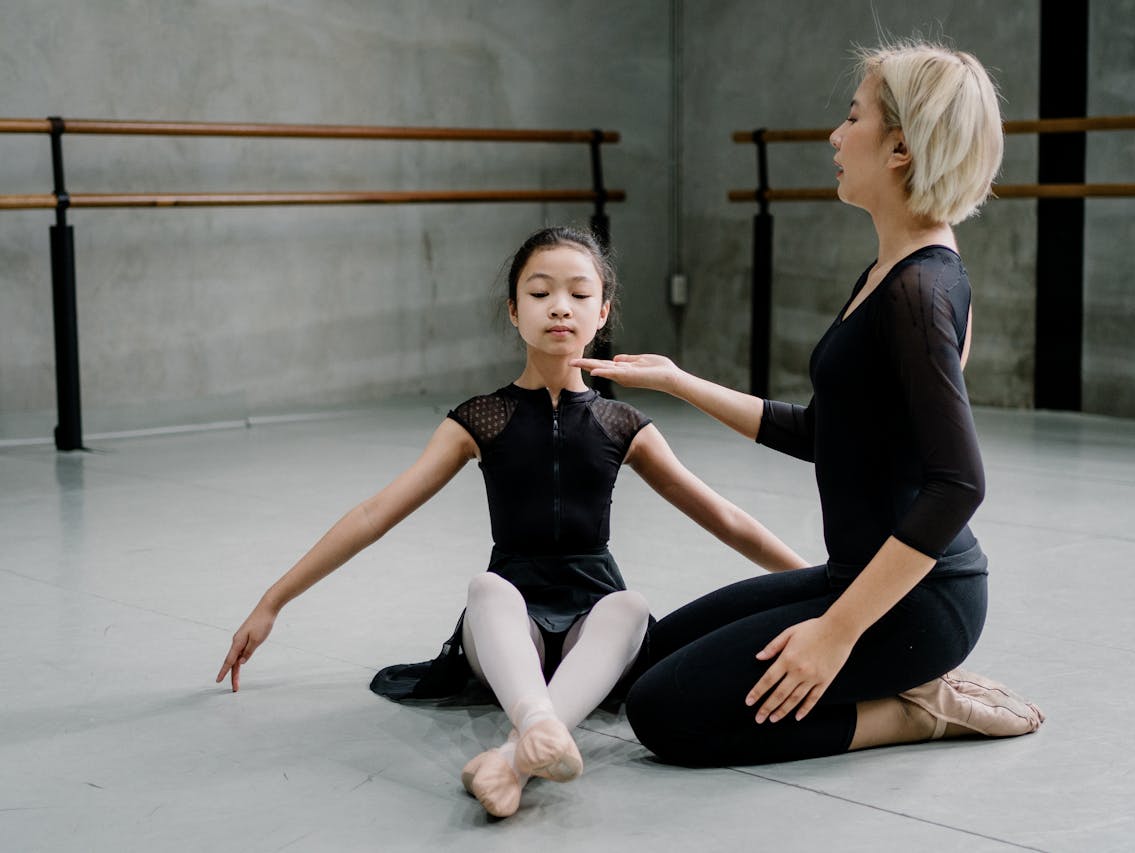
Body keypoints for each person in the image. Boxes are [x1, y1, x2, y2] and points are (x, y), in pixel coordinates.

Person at [216, 226, 807, 816]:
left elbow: (727, 519)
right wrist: (274, 600)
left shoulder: (622, 424)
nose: (559, 307)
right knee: (486, 590)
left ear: (602, 312)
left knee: (629, 607)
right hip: (507, 622)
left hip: (594, 622)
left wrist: (820, 584)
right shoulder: (481, 418)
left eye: (579, 294)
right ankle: (539, 730)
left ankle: (512, 757)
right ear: (513, 311)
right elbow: (376, 513)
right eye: (540, 292)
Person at [573, 41, 1043, 767]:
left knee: (663, 713)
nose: (835, 134)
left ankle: (917, 711)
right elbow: (824, 431)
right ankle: (896, 677)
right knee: (639, 658)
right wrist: (679, 381)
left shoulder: (921, 292)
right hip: (850, 575)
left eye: (851, 116)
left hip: (918, 604)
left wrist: (836, 632)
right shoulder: (890, 269)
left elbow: (960, 482)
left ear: (898, 146)